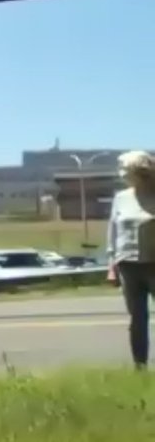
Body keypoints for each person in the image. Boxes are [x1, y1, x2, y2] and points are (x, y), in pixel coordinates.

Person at [107, 150, 155, 370]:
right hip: (128, 266)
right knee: (137, 319)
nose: (123, 176)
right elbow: (113, 231)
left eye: (128, 172)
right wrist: (111, 265)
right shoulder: (121, 198)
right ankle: (140, 366)